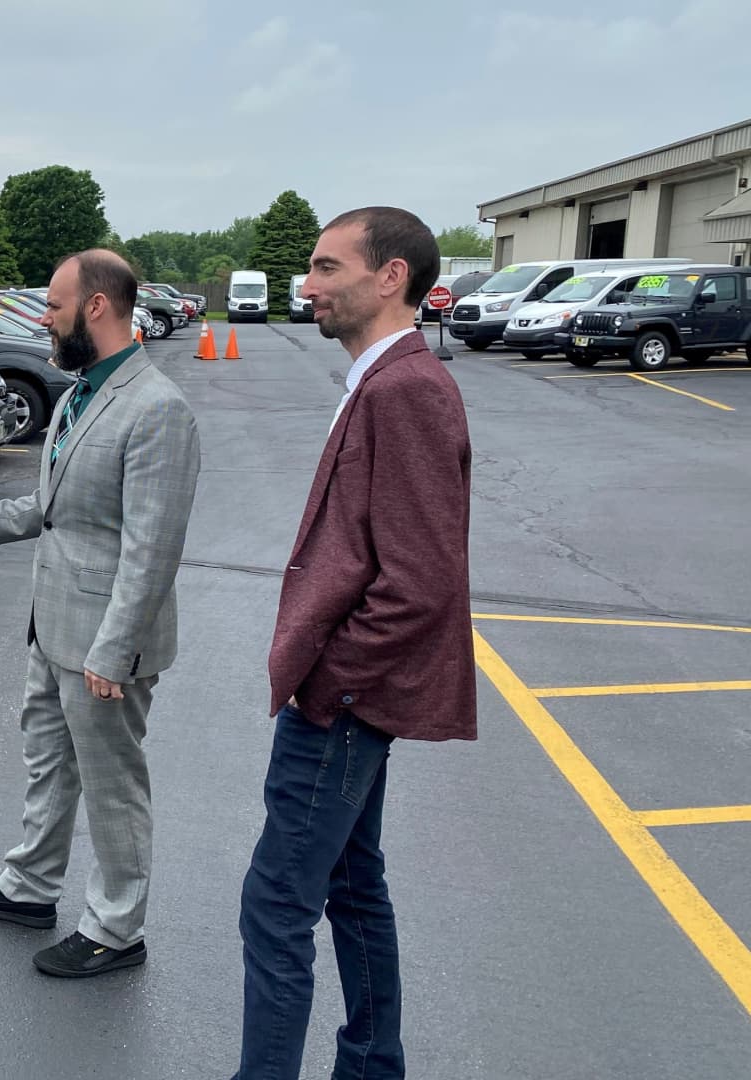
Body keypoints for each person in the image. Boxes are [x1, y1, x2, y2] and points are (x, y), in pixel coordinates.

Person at [0, 248, 201, 978]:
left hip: (105, 646)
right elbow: (52, 508)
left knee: (112, 783)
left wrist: (115, 649)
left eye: (53, 305)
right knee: (48, 764)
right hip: (53, 626)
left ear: (96, 307)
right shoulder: (78, 395)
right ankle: (30, 887)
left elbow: (152, 549)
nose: (43, 318)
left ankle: (116, 927)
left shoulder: (157, 408)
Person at [233, 207, 475, 1078]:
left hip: (341, 705)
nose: (307, 285)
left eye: (327, 267)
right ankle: (373, 1062)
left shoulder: (405, 388)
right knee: (353, 884)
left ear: (390, 277)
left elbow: (420, 582)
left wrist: (330, 686)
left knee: (275, 905)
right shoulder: (385, 379)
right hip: (351, 701)